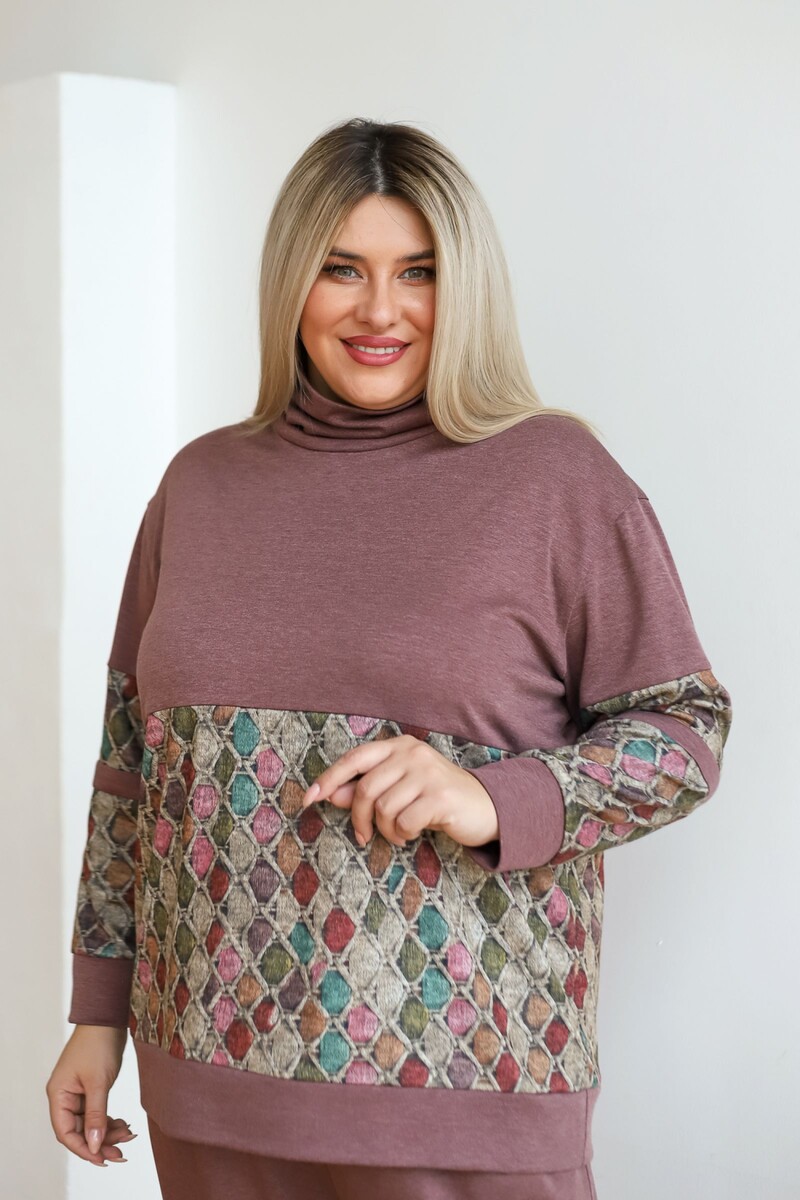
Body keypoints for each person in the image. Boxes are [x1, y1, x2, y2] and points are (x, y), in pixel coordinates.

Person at [46, 117, 733, 1200]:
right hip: (205, 1095)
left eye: (418, 272)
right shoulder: (198, 486)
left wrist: (494, 796)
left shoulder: (554, 479)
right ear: (291, 283)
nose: (380, 310)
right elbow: (131, 773)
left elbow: (685, 735)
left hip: (464, 1105)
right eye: (341, 269)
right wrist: (97, 1015)